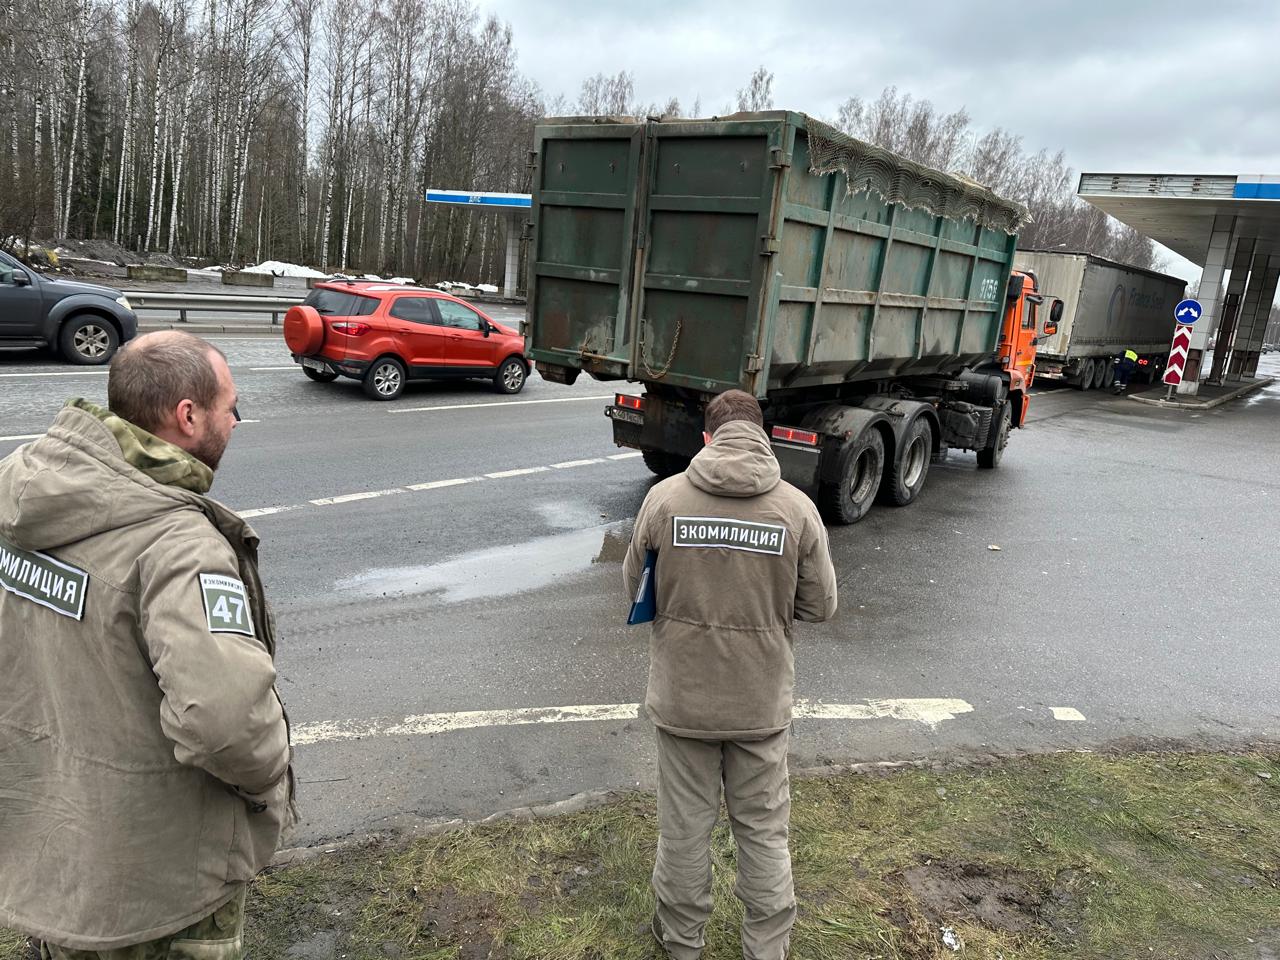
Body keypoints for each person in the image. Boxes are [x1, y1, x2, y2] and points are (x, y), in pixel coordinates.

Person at [0, 331, 294, 959]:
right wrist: (266, 783)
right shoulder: (178, 547)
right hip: (154, 886)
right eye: (231, 408)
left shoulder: (23, 492)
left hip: (46, 855)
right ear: (188, 416)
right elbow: (225, 723)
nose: (236, 423)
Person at [623, 389, 838, 960]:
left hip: (683, 700)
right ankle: (766, 950)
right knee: (763, 833)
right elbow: (821, 606)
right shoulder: (795, 509)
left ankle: (681, 943)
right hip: (759, 705)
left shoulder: (664, 501)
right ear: (763, 439)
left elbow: (634, 590)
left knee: (685, 833)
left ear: (706, 439)